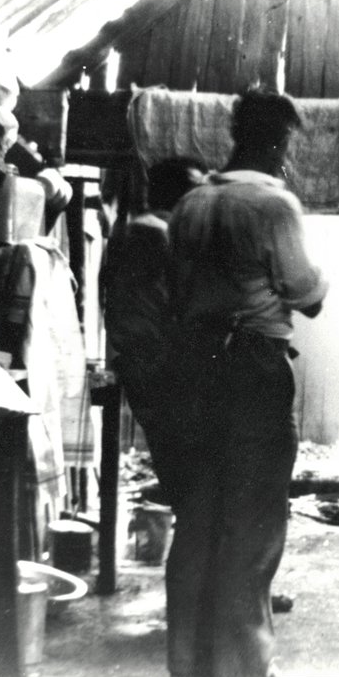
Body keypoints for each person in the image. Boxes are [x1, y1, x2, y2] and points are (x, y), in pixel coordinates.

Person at [163, 89, 328, 677]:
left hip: (192, 369)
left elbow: (178, 294)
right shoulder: (274, 205)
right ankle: (243, 669)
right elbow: (308, 295)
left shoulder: (190, 205)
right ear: (279, 140)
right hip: (253, 368)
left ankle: (188, 666)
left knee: (198, 520)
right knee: (253, 523)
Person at [101, 157, 205, 501]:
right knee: (187, 477)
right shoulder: (154, 233)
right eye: (194, 190)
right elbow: (174, 306)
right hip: (158, 365)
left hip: (145, 362)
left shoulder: (139, 231)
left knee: (179, 473)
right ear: (176, 194)